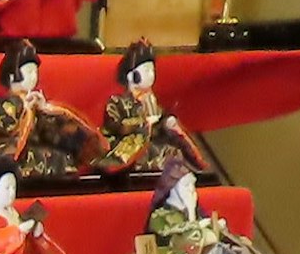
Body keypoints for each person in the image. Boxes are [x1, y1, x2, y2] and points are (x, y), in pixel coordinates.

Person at [93, 42, 220, 183]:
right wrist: (143, 123)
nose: (151, 74)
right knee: (149, 154)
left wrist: (165, 122)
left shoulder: (152, 100)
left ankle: (196, 168)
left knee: (172, 148)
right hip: (128, 145)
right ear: (131, 76)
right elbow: (115, 126)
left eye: (152, 70)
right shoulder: (117, 101)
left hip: (153, 141)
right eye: (146, 70)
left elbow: (159, 125)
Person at [144, 167, 281, 254]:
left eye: (193, 186)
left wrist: (219, 229)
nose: (191, 191)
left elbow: (212, 232)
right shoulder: (161, 215)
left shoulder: (195, 211)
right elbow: (168, 235)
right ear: (173, 189)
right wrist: (198, 227)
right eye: (187, 186)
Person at [0, 42, 103, 181]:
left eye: (35, 72)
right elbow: (5, 128)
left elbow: (46, 130)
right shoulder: (3, 103)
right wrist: (24, 109)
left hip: (33, 146)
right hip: (9, 147)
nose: (33, 76)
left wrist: (44, 109)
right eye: (28, 72)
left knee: (59, 156)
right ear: (11, 76)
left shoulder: (34, 100)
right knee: (25, 158)